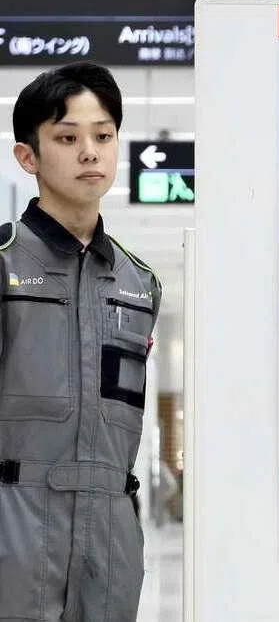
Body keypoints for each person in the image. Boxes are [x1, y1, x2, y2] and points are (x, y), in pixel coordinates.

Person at [0, 62, 162, 621]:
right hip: (14, 530)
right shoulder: (4, 265)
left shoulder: (140, 284)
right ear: (29, 157)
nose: (89, 152)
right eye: (67, 138)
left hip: (111, 538)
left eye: (103, 135)